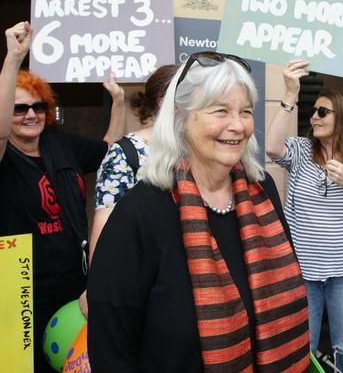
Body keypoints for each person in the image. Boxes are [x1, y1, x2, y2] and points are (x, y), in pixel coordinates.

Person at [88, 52, 310, 372]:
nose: (237, 125)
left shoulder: (264, 194)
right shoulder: (139, 213)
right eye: (220, 110)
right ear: (180, 116)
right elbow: (111, 351)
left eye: (245, 111)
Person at [0, 21, 126, 371]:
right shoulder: (5, 154)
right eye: (19, 108)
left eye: (39, 107)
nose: (31, 115)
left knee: (73, 360)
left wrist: (118, 101)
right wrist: (13, 59)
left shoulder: (60, 143)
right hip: (19, 288)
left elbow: (109, 152)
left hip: (73, 280)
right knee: (23, 366)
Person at [267, 60, 343, 371]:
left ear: (342, 118)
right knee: (299, 347)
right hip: (302, 270)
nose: (314, 117)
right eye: (314, 111)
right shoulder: (303, 150)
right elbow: (271, 147)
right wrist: (290, 95)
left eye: (322, 112)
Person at [90, 64, 177, 259]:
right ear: (165, 101)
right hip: (145, 268)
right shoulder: (126, 153)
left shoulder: (202, 148)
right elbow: (105, 226)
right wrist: (98, 286)